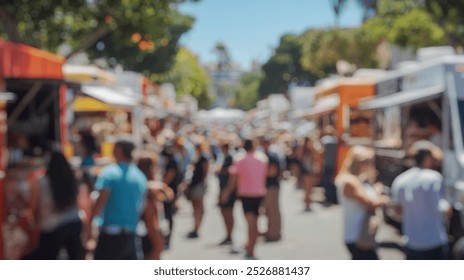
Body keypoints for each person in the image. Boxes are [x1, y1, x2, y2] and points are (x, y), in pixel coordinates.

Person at [86, 140, 147, 260]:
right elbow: (141, 206)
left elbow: (100, 202)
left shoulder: (109, 173)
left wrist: (88, 225)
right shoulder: (140, 176)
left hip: (111, 234)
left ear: (118, 150)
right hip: (131, 233)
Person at [391, 140, 450, 260]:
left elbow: (397, 211)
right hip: (434, 240)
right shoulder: (434, 178)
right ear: (427, 158)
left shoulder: (400, 180)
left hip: (411, 240)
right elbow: (441, 208)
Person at [23, 152, 83, 260]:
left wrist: (35, 227)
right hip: (74, 224)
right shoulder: (72, 179)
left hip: (51, 228)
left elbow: (34, 207)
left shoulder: (41, 181)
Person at [335, 146, 388, 260]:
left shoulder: (354, 179)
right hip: (357, 234)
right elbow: (370, 203)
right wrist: (383, 199)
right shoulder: (351, 182)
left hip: (358, 233)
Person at [221, 139, 268, 259]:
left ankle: (251, 247)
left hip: (246, 193)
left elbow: (233, 179)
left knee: (250, 221)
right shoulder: (262, 159)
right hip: (259, 192)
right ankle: (251, 245)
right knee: (254, 221)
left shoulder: (239, 159)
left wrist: (226, 192)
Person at [137, 155, 174, 260]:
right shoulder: (151, 190)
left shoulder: (141, 186)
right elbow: (150, 221)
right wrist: (158, 243)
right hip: (149, 235)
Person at [184, 141, 210, 238]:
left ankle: (197, 228)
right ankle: (196, 227)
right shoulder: (197, 156)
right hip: (195, 184)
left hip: (199, 184)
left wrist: (203, 183)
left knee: (198, 207)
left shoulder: (203, 157)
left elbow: (205, 171)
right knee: (196, 207)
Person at [261, 136, 282, 241]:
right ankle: (271, 230)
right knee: (268, 210)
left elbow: (272, 172)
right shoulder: (266, 155)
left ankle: (274, 232)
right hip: (268, 185)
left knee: (273, 209)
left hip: (272, 186)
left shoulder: (271, 156)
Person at [217, 142, 236, 245]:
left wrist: (226, 192)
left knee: (228, 212)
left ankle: (230, 235)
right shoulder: (225, 158)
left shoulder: (230, 158)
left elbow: (232, 176)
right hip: (223, 189)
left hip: (227, 190)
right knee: (225, 212)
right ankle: (228, 235)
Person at [320, 126, 338, 205]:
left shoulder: (325, 139)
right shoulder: (335, 139)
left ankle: (329, 197)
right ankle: (333, 197)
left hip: (327, 163)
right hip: (335, 163)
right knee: (332, 181)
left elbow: (321, 151)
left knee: (327, 181)